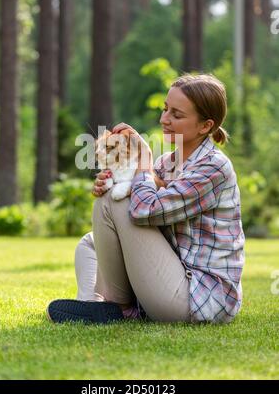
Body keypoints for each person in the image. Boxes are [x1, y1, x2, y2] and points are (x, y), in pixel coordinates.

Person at [47, 73, 245, 325]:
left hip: (197, 299)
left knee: (115, 200)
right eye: (165, 109)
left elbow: (144, 210)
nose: (164, 119)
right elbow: (143, 200)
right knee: (89, 244)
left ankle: (115, 307)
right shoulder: (168, 163)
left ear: (205, 126)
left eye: (177, 114)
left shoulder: (213, 167)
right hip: (170, 279)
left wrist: (143, 159)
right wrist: (109, 179)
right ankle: (92, 306)